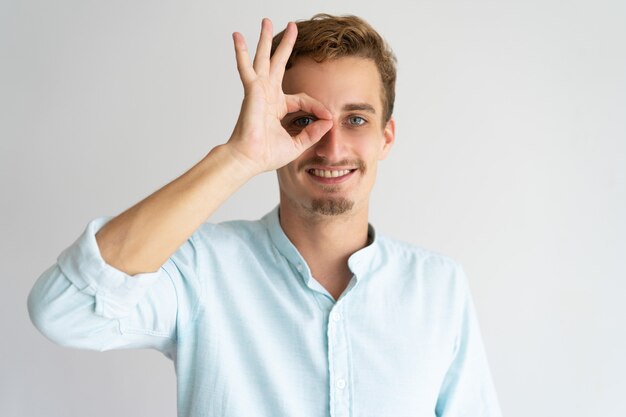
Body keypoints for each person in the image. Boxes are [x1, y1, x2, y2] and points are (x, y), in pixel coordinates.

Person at [28, 13, 502, 417]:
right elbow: (62, 311)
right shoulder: (202, 269)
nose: (331, 146)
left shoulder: (439, 287)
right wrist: (239, 157)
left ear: (387, 137)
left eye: (356, 119)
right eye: (303, 120)